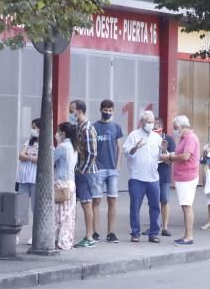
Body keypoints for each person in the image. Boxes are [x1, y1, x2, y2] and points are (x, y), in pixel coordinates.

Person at [123, 111, 162, 243]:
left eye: (152, 122)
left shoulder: (157, 137)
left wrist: (165, 151)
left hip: (153, 177)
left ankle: (154, 233)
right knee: (135, 207)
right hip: (137, 177)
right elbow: (127, 153)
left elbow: (161, 156)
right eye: (149, 122)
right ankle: (135, 233)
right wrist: (135, 148)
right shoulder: (134, 135)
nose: (151, 124)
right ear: (142, 122)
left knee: (155, 206)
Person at [92, 99, 123, 243]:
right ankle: (95, 232)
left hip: (112, 170)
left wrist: (118, 165)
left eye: (110, 111)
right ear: (100, 110)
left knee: (112, 201)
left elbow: (119, 147)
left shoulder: (116, 127)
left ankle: (111, 233)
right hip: (98, 169)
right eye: (105, 110)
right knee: (96, 200)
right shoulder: (94, 127)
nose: (108, 113)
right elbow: (90, 148)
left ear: (113, 111)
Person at [69, 99, 100, 248]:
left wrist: (81, 169)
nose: (71, 114)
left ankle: (89, 237)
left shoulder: (87, 129)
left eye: (72, 111)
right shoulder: (79, 127)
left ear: (79, 111)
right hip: (81, 170)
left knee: (86, 204)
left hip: (86, 172)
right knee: (83, 203)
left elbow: (92, 153)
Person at [164, 115, 199, 245]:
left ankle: (189, 237)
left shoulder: (190, 137)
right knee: (185, 206)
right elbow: (180, 154)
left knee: (187, 206)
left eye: (176, 128)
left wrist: (170, 158)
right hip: (182, 176)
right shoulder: (184, 138)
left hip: (187, 177)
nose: (174, 130)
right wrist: (170, 155)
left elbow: (185, 156)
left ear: (183, 126)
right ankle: (186, 235)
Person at [54, 121, 79, 250]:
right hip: (71, 183)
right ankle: (66, 241)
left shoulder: (62, 147)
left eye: (58, 132)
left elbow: (49, 160)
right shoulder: (74, 147)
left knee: (59, 214)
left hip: (60, 182)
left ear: (63, 133)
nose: (56, 134)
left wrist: (56, 144)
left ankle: (59, 241)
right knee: (69, 214)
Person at [16, 118, 40, 244]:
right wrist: (32, 157)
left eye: (35, 127)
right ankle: (16, 234)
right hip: (24, 178)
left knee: (35, 209)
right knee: (20, 207)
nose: (33, 130)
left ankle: (35, 235)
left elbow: (42, 159)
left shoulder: (47, 144)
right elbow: (20, 155)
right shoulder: (29, 142)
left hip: (36, 179)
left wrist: (28, 157)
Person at [154, 118, 175, 236]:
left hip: (164, 174)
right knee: (153, 201)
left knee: (164, 200)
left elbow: (172, 160)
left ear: (161, 127)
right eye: (152, 126)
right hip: (151, 174)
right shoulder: (149, 138)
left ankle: (165, 227)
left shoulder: (169, 139)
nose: (153, 128)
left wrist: (164, 151)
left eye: (156, 126)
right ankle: (154, 225)